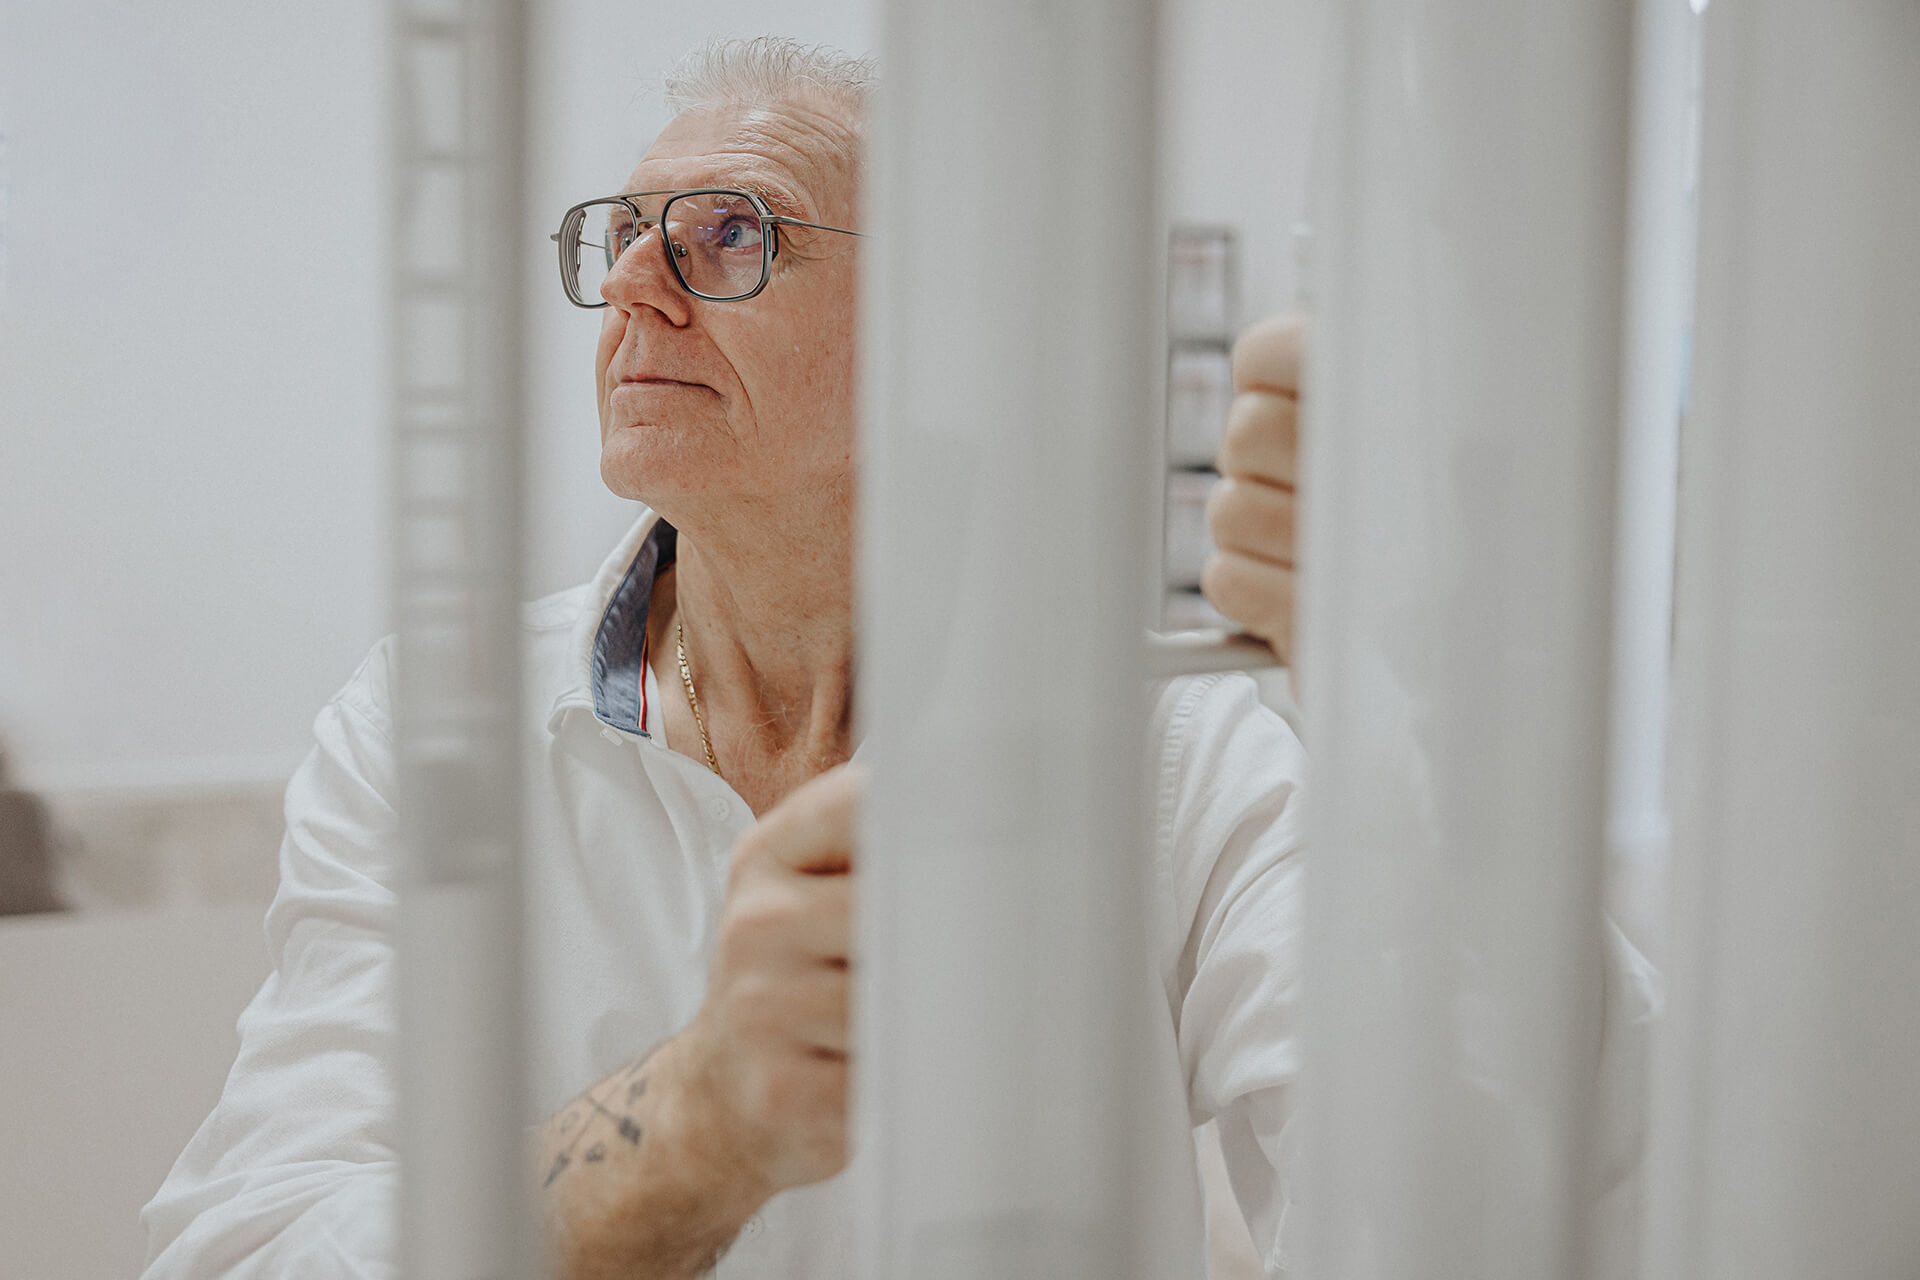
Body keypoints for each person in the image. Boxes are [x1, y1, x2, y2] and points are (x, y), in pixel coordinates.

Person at [140, 37, 1642, 1280]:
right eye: (622, 234)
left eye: (731, 232)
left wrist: (1433, 726)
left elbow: (1520, 1197)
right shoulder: (431, 725)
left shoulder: (1176, 749)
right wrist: (697, 1121)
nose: (636, 286)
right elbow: (247, 1247)